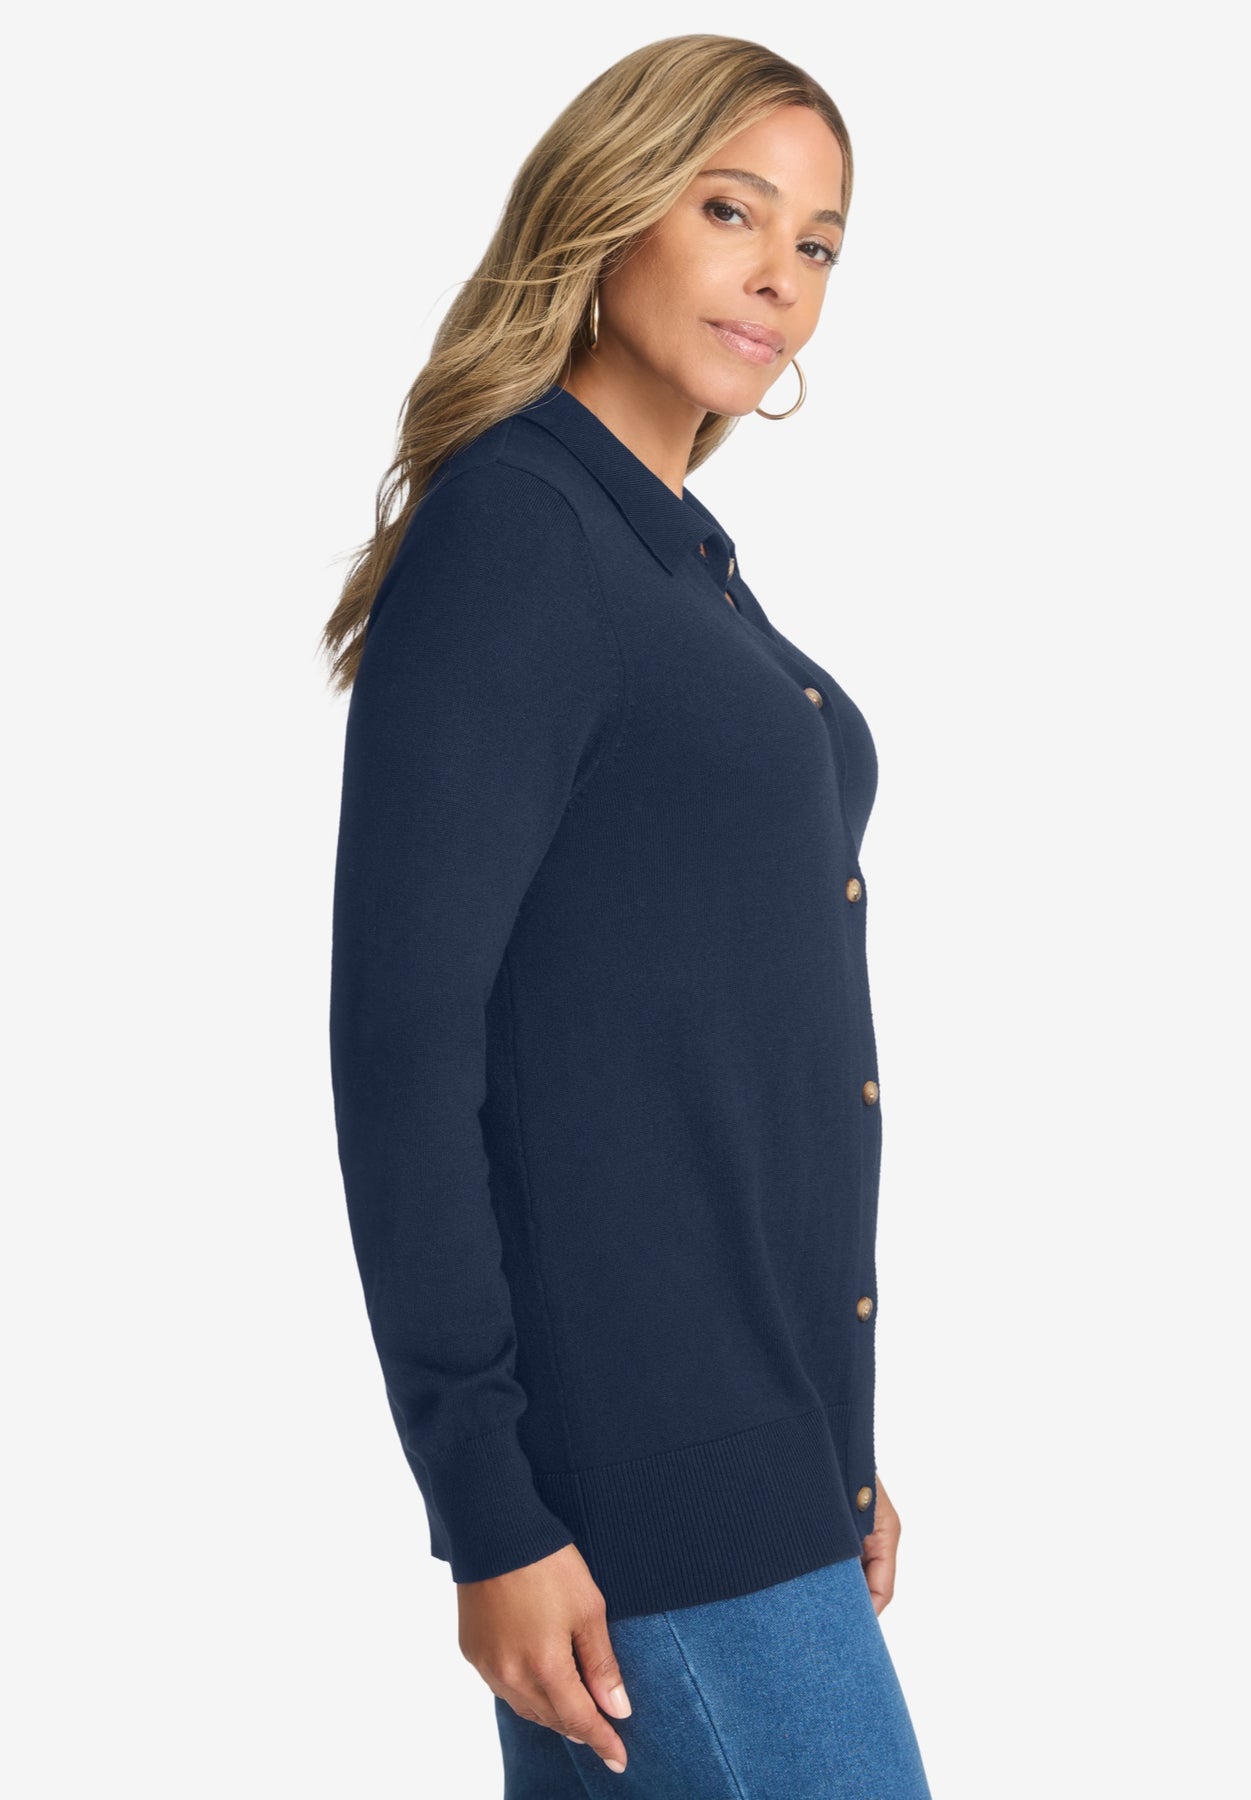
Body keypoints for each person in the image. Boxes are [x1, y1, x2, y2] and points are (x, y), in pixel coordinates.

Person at [322, 32, 933, 1798]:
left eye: (818, 242)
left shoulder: (673, 559)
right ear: (607, 212)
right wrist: (488, 1508)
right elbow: (407, 1049)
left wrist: (836, 1444)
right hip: (654, 1487)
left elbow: (693, 1043)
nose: (779, 274)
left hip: (758, 1463)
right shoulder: (522, 532)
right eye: (731, 209)